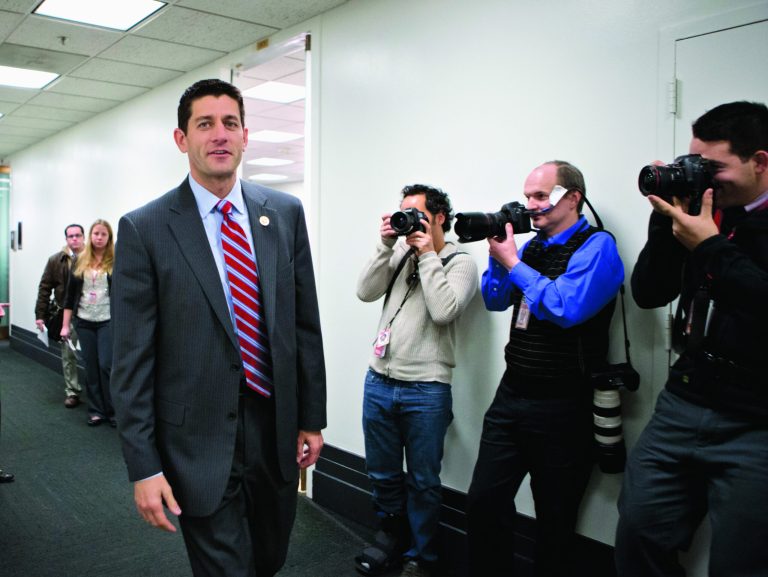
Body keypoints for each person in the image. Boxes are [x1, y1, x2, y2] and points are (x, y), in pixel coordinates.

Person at [110, 78, 326, 577]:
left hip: (274, 432)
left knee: (269, 560)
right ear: (182, 139)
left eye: (230, 123)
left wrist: (311, 415)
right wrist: (143, 465)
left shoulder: (284, 215)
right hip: (197, 441)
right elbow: (131, 360)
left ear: (246, 136)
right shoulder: (146, 228)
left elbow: (303, 326)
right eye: (204, 124)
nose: (219, 135)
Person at [615, 101, 768, 577]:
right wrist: (665, 223)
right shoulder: (704, 214)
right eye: (695, 163)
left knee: (740, 563)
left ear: (760, 162)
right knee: (638, 532)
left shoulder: (718, 230)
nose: (704, 177)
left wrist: (709, 246)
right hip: (686, 398)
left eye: (715, 167)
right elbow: (648, 293)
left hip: (757, 420)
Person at [466, 161, 624, 577]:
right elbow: (496, 301)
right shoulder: (530, 247)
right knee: (483, 502)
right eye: (528, 196)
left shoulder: (597, 246)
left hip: (563, 405)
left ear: (572, 197)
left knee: (555, 518)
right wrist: (500, 260)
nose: (531, 205)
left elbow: (565, 308)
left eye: (541, 196)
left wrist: (514, 263)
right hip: (512, 395)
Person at [355, 184, 478, 577]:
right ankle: (390, 537)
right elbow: (364, 291)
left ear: (439, 217)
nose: (407, 219)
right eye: (402, 211)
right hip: (379, 381)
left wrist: (427, 255)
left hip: (427, 389)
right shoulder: (400, 253)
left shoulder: (461, 262)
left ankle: (422, 557)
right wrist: (385, 245)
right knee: (382, 473)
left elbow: (444, 311)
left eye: (416, 213)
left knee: (424, 481)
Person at [61, 220, 115, 427]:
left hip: (107, 321)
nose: (99, 237)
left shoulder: (115, 261)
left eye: (103, 234)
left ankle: (112, 410)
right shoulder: (80, 261)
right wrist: (65, 326)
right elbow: (70, 296)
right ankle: (96, 410)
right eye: (96, 234)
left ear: (109, 238)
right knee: (91, 367)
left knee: (106, 365)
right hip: (84, 321)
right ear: (90, 236)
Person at [34, 223, 84, 408]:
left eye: (78, 235)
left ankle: (99, 393)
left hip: (90, 314)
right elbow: (45, 288)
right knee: (68, 354)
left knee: (97, 356)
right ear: (66, 239)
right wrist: (40, 314)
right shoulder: (56, 261)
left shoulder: (94, 258)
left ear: (83, 237)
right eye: (70, 236)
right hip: (67, 315)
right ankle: (72, 391)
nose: (74, 239)